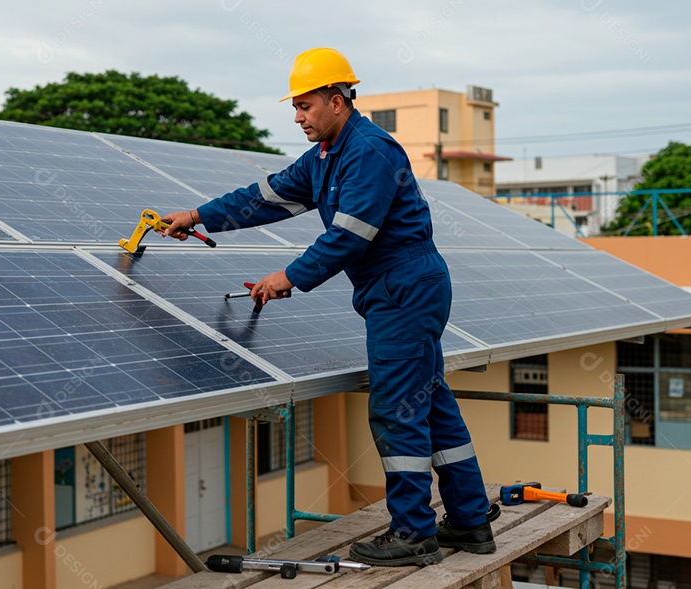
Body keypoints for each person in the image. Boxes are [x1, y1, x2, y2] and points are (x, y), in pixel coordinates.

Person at [160, 47, 496, 567]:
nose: (297, 117)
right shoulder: (325, 158)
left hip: (404, 289)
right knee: (428, 402)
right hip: (398, 289)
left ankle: (413, 533)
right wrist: (197, 214)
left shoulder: (370, 152)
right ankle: (471, 521)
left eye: (305, 106)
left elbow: (351, 236)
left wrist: (288, 277)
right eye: (294, 108)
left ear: (337, 102)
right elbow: (264, 198)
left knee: (395, 410)